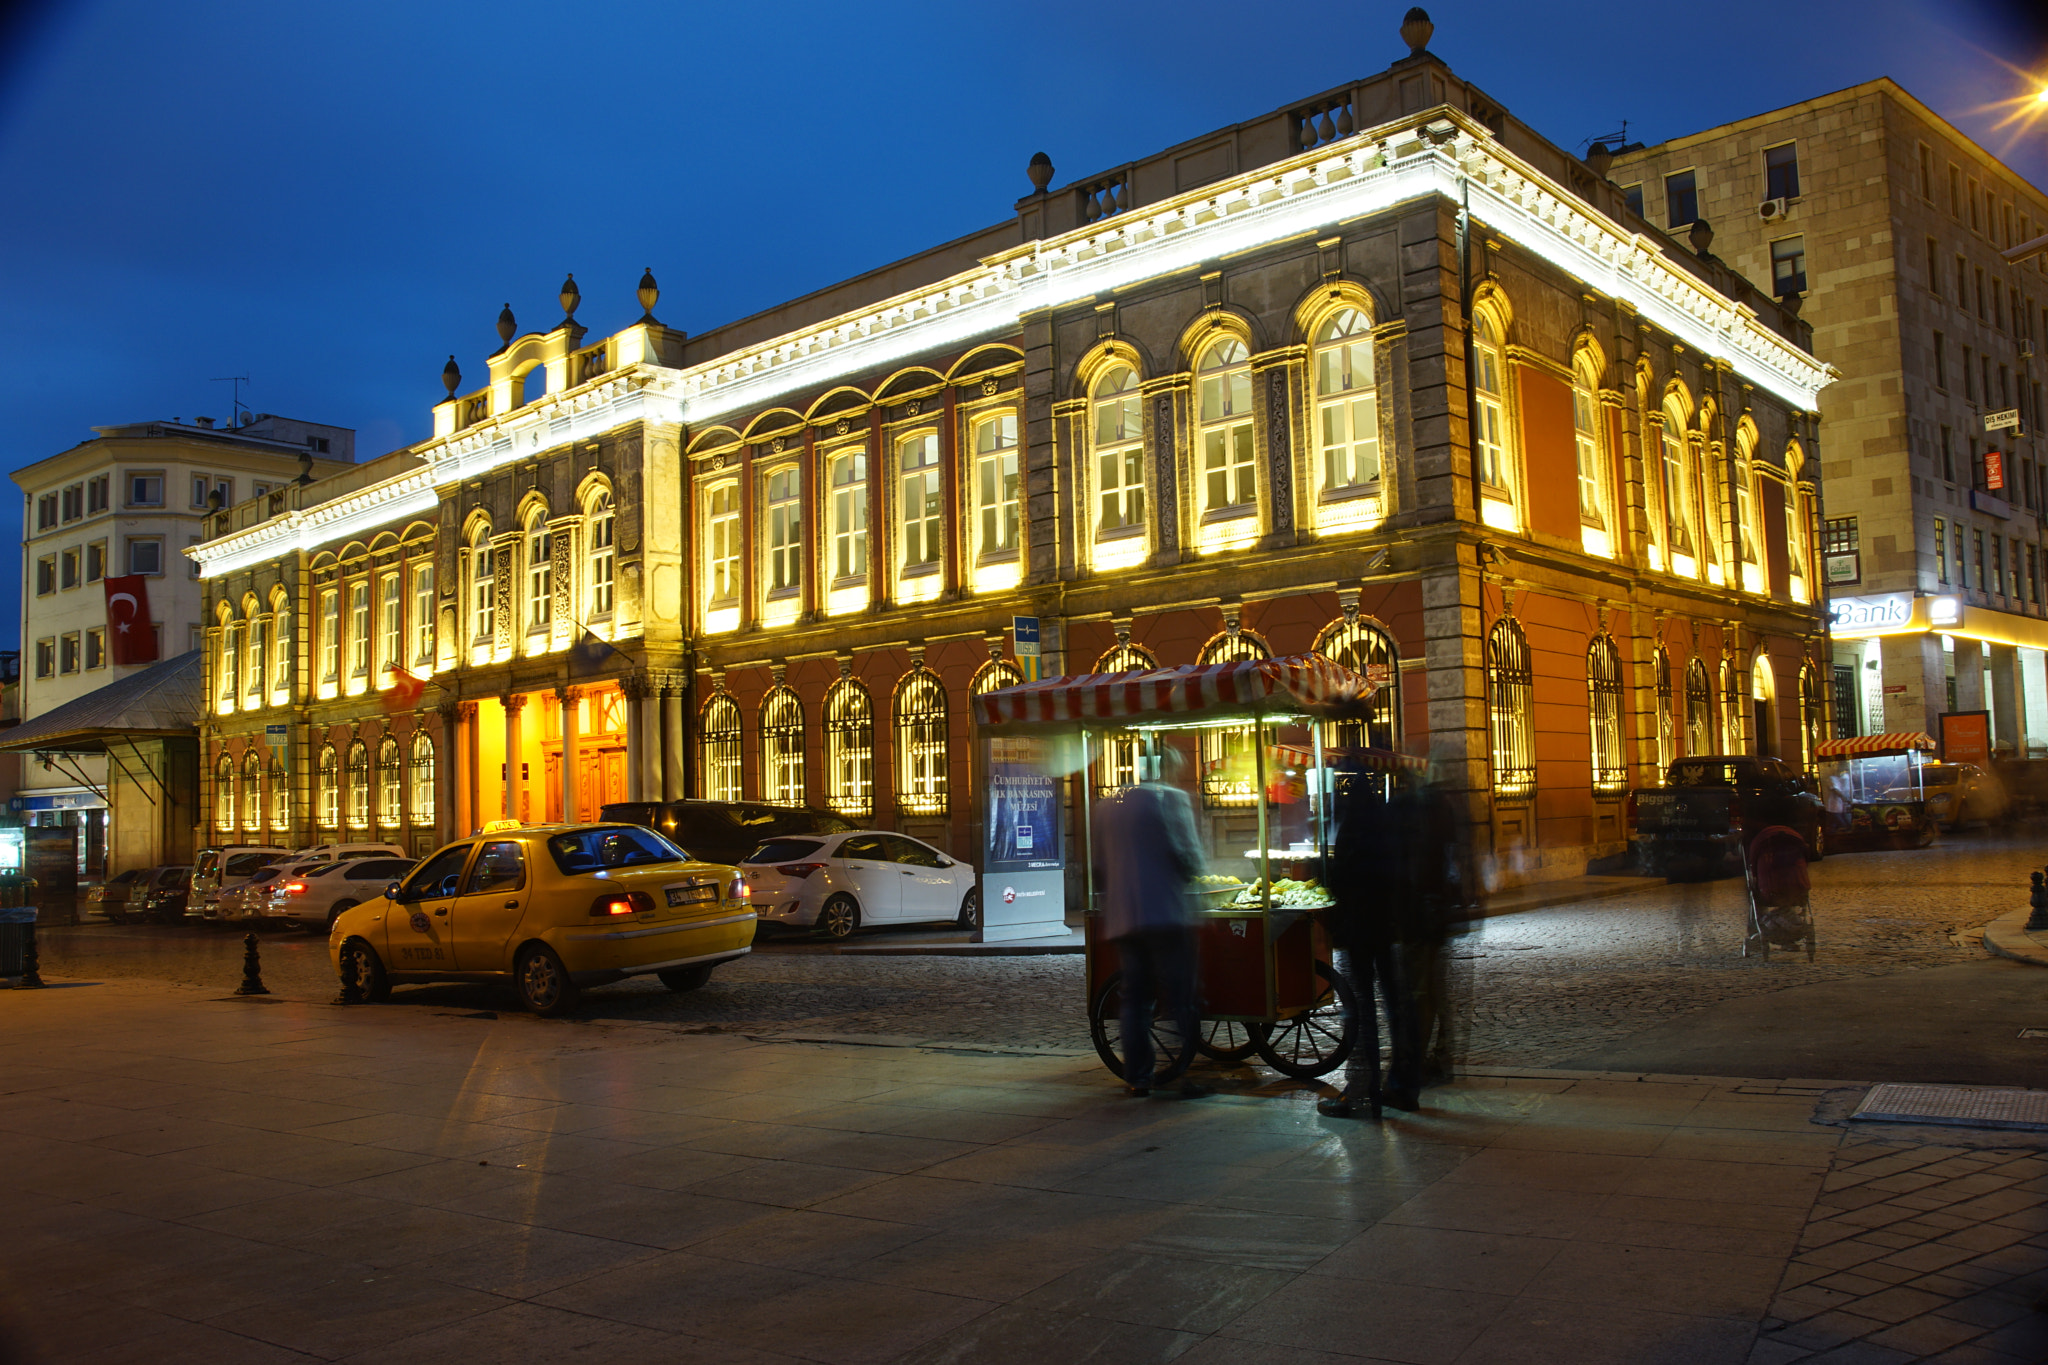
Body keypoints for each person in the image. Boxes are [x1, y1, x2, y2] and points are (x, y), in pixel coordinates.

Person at [1093, 747, 1210, 1099]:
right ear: (1167, 768)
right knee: (1181, 995)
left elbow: (1098, 867)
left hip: (1125, 917)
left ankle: (1139, 1076)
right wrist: (1198, 883)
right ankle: (1182, 1074)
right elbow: (1187, 854)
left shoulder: (1108, 805)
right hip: (1166, 913)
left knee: (1135, 999)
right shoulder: (1170, 800)